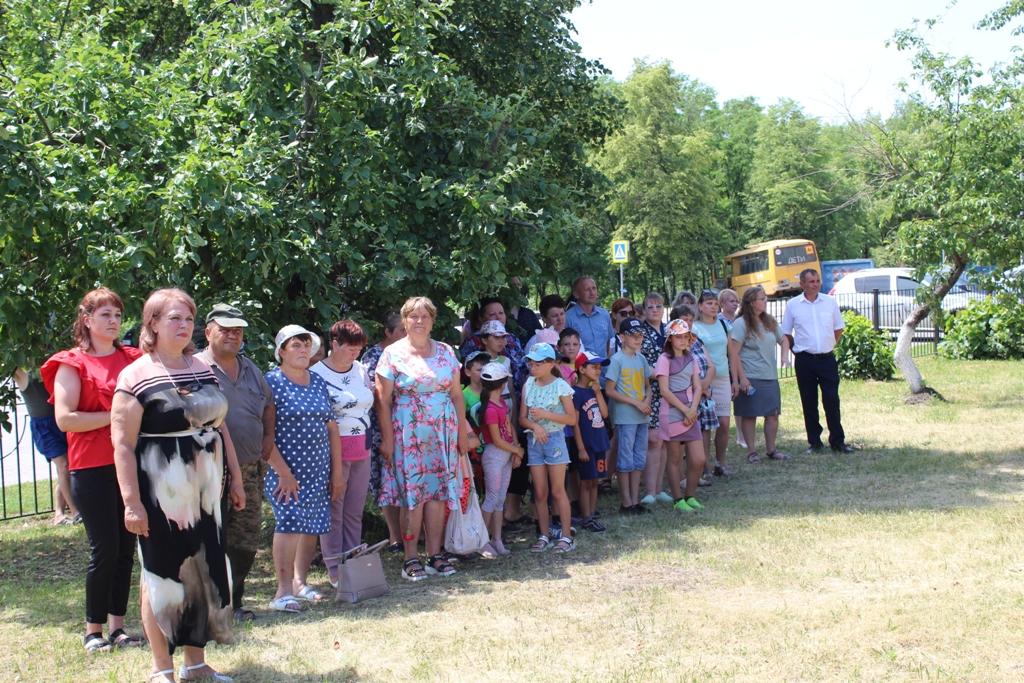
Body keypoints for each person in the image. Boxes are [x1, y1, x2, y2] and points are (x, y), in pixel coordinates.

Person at [110, 288, 245, 682]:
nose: (184, 326)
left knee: (202, 573)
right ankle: (162, 670)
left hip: (205, 495)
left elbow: (219, 428)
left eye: (189, 319)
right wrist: (131, 503)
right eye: (174, 318)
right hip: (160, 495)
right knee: (162, 576)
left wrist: (234, 476)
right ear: (152, 323)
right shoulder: (135, 375)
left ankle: (196, 665)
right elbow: (122, 444)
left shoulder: (201, 367)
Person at [41, 287, 144, 654]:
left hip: (129, 465)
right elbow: (66, 418)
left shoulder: (133, 358)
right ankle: (93, 630)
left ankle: (118, 628)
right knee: (105, 549)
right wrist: (117, 418)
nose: (113, 321)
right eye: (105, 315)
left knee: (126, 550)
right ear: (86, 320)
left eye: (117, 314)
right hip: (91, 468)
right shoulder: (70, 363)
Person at [376, 297, 469, 581]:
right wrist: (388, 440)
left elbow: (456, 394)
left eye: (425, 316)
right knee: (412, 498)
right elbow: (382, 401)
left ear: (433, 320)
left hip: (443, 435)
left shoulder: (445, 352)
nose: (419, 321)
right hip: (408, 437)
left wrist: (462, 433)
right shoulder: (392, 354)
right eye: (413, 316)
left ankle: (435, 554)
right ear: (404, 320)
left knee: (439, 495)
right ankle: (410, 558)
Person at [195, 304, 275, 623]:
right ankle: (207, 604)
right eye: (225, 329)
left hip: (250, 467)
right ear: (208, 332)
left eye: (238, 330)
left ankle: (233, 602)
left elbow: (268, 404)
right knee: (210, 537)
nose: (232, 335)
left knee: (246, 539)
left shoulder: (250, 368)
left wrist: (268, 437)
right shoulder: (195, 367)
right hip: (209, 470)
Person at [264, 326, 343, 611]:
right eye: (296, 345)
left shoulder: (318, 381)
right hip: (286, 472)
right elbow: (265, 433)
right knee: (289, 522)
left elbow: (332, 428)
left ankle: (300, 583)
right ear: (281, 352)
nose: (302, 350)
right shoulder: (271, 382)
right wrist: (283, 472)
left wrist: (337, 473)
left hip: (318, 469)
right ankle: (282, 592)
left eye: (306, 345)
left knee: (312, 525)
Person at [311, 320, 375, 588]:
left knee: (354, 510)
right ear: (334, 344)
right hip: (333, 451)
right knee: (334, 511)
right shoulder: (316, 374)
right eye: (350, 347)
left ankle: (354, 561)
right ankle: (335, 568)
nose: (355, 353)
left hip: (363, 447)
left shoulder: (361, 369)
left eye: (359, 348)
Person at [781, 268, 853, 454]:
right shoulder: (793, 305)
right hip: (805, 360)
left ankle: (837, 441)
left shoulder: (829, 302)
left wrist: (828, 345)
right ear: (802, 284)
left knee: (831, 400)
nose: (815, 284)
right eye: (811, 281)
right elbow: (786, 332)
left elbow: (838, 328)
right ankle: (814, 442)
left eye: (817, 281)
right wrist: (797, 351)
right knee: (809, 401)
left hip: (827, 359)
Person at [519, 342, 577, 553]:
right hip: (534, 442)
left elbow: (571, 419)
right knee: (540, 491)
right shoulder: (528, 384)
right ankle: (544, 535)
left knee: (558, 490)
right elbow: (522, 418)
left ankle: (566, 536)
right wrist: (535, 426)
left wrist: (545, 416)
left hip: (555, 440)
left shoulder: (560, 386)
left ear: (551, 364)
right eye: (531, 363)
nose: (532, 367)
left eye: (537, 363)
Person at [361, 309, 406, 552]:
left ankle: (412, 532)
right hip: (381, 427)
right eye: (401, 330)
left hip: (409, 426)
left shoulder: (413, 353)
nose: (406, 335)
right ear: (387, 332)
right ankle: (395, 535)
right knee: (387, 481)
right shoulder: (374, 356)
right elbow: (377, 398)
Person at [729, 286, 790, 464]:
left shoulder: (768, 320)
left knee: (773, 413)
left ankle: (771, 450)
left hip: (769, 375)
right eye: (762, 298)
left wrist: (785, 355)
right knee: (749, 414)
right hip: (750, 375)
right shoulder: (740, 324)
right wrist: (741, 378)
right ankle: (752, 451)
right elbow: (734, 354)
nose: (766, 301)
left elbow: (784, 339)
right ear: (752, 303)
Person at [15, 366, 78, 525]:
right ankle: (76, 512)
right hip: (43, 427)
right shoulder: (22, 373)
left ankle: (59, 514)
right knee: (64, 465)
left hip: (59, 421)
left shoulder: (49, 369)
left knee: (64, 469)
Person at [654, 320, 706, 512]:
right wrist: (686, 411)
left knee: (699, 458)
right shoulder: (664, 359)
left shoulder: (691, 358)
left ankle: (690, 495)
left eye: (686, 336)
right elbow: (664, 391)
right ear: (670, 339)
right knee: (674, 458)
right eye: (679, 336)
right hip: (673, 414)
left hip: (691, 413)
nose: (683, 340)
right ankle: (678, 499)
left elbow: (698, 386)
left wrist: (692, 410)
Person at [605, 318, 652, 514]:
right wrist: (636, 403)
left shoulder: (641, 359)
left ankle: (635, 500)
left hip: (642, 417)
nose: (637, 339)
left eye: (640, 335)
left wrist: (647, 401)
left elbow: (648, 386)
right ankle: (626, 503)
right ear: (622, 337)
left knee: (638, 459)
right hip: (626, 418)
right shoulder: (616, 360)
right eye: (633, 336)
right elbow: (610, 390)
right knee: (625, 460)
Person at [477, 362, 524, 557]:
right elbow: (496, 439)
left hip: (504, 455)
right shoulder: (489, 409)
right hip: (495, 456)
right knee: (492, 498)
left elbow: (508, 427)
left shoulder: (500, 404)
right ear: (503, 383)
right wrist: (517, 449)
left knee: (499, 499)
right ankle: (481, 540)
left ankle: (496, 539)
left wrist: (515, 449)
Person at [671, 303, 719, 488]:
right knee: (682, 441)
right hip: (686, 399)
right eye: (685, 320)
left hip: (702, 393)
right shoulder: (675, 344)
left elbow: (711, 366)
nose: (689, 323)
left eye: (691, 320)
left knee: (698, 436)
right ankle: (682, 478)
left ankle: (696, 474)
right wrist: (698, 387)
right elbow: (678, 373)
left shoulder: (696, 340)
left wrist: (704, 385)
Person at [692, 291, 733, 478]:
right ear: (700, 306)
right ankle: (706, 466)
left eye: (715, 303)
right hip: (704, 381)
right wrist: (702, 384)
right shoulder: (694, 328)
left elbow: (732, 354)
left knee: (724, 424)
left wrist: (736, 379)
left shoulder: (724, 324)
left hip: (723, 378)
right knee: (706, 426)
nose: (713, 306)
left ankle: (720, 463)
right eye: (709, 303)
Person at [572, 352, 610, 532]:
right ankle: (586, 517)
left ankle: (592, 513)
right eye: (594, 367)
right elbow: (575, 424)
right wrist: (580, 448)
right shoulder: (575, 393)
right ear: (581, 369)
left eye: (599, 367)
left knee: (595, 481)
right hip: (586, 444)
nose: (598, 370)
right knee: (586, 481)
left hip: (599, 441)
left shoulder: (595, 390)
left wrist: (598, 393)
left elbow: (604, 414)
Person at [638, 292, 670, 506]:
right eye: (650, 307)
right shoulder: (639, 331)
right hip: (649, 390)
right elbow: (638, 362)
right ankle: (649, 491)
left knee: (664, 440)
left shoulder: (670, 330)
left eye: (659, 305)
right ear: (644, 309)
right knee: (652, 440)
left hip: (670, 392)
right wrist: (662, 373)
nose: (655, 310)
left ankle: (659, 489)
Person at [717, 288, 745, 447]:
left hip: (738, 363)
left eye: (737, 301)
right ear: (722, 303)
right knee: (724, 404)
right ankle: (722, 440)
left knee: (739, 401)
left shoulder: (739, 320)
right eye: (731, 301)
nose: (735, 304)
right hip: (723, 365)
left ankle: (741, 436)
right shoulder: (718, 320)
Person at [564, 277, 615, 359]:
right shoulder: (567, 318)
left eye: (594, 288)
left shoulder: (604, 314)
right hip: (580, 370)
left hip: (603, 369)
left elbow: (608, 342)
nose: (592, 292)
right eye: (587, 289)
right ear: (576, 294)